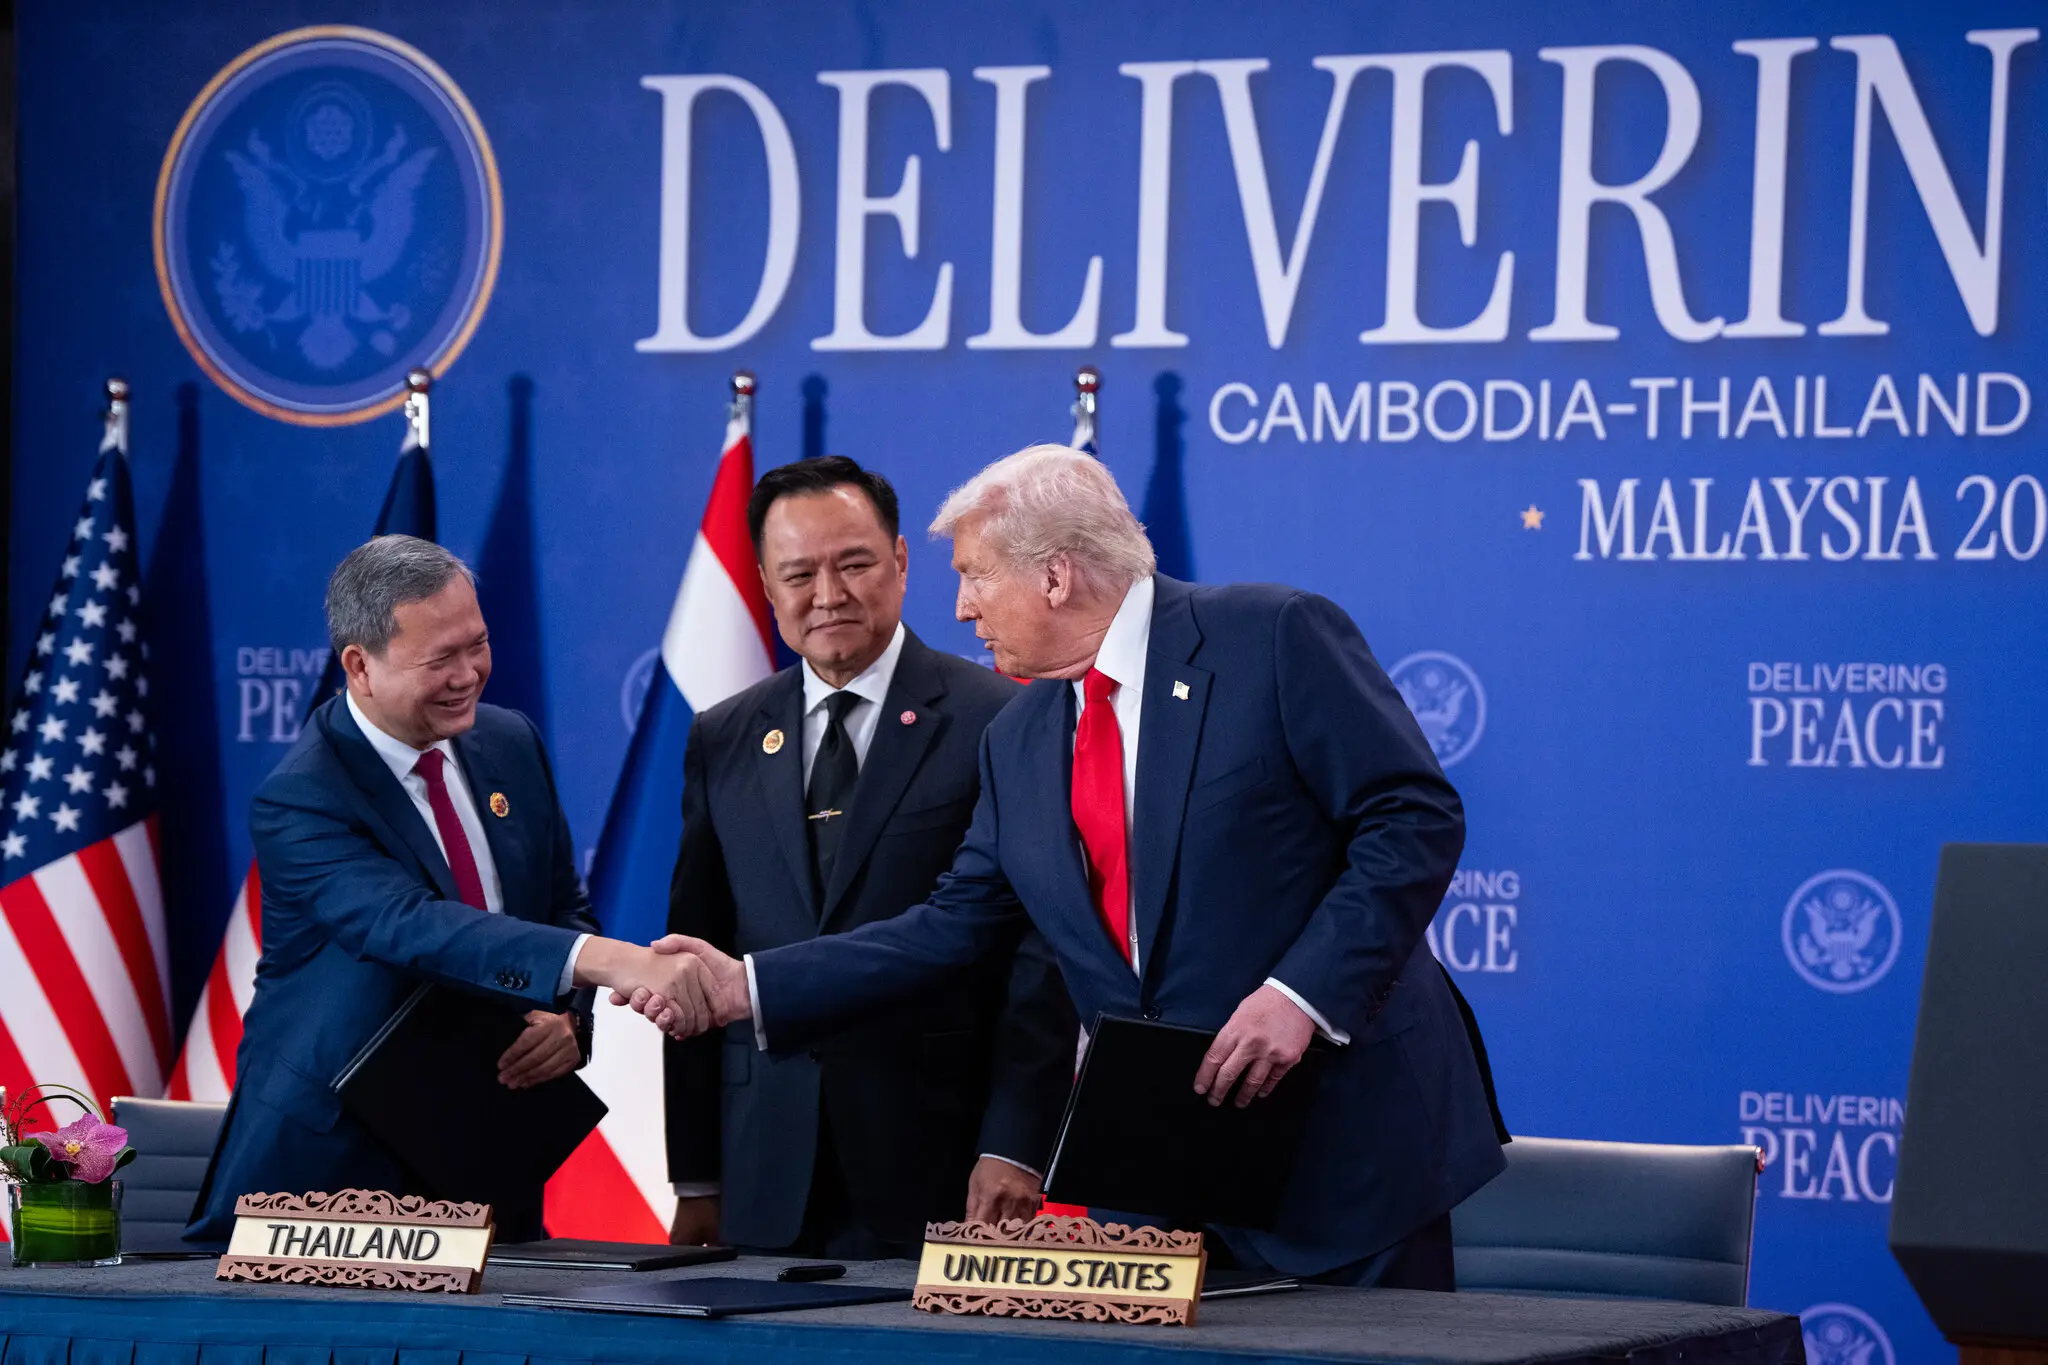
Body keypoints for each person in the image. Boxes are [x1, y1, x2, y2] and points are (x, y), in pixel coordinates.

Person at [631, 445, 1506, 1287]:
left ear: (1054, 575)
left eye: (975, 576)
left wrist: (1300, 994)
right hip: (1162, 1177)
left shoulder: (1269, 636)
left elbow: (1412, 816)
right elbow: (949, 926)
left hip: (1346, 1151)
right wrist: (749, 985)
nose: (962, 609)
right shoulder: (1017, 735)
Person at [188, 536, 720, 1243]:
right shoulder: (303, 796)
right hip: (338, 1169)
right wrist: (616, 962)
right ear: (360, 666)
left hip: (486, 1141)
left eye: (478, 644)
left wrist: (569, 1019)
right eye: (440, 659)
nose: (468, 675)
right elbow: (411, 924)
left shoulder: (509, 742)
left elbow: (560, 905)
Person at [665, 456, 1075, 1259]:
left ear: (901, 560)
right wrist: (696, 1177)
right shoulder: (723, 735)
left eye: (853, 564)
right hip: (762, 1164)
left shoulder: (1003, 717)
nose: (829, 594)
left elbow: (1040, 953)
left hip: (939, 1156)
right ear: (765, 584)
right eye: (799, 574)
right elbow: (697, 957)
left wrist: (1016, 1141)